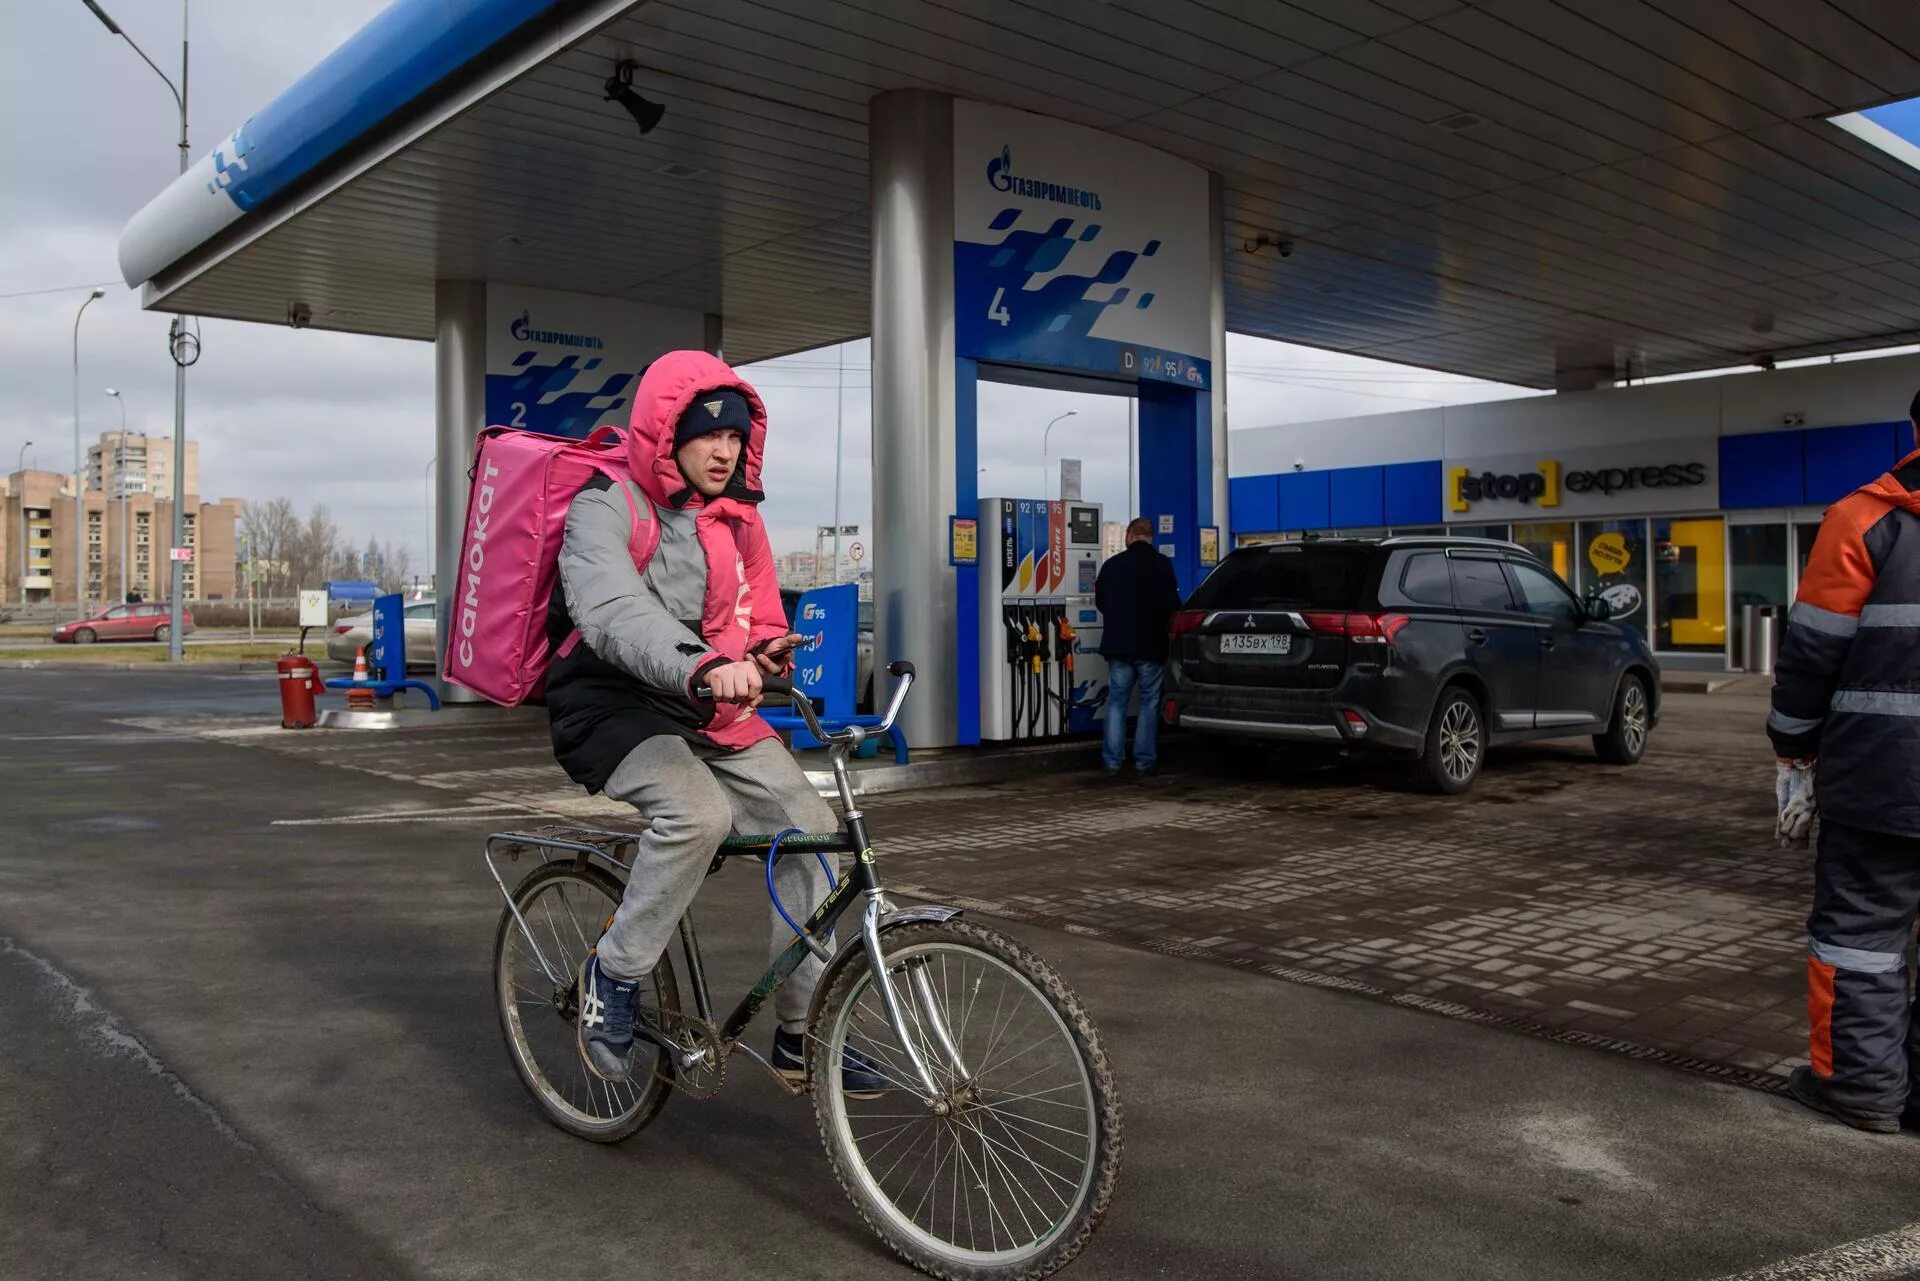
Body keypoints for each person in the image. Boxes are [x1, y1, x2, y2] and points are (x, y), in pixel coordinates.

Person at [543, 350, 880, 1093]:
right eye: (704, 435)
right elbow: (612, 611)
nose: (724, 449)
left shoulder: (739, 518)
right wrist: (700, 664)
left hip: (707, 702)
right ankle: (614, 973)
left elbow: (755, 608)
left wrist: (764, 651)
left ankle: (802, 1031)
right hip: (610, 699)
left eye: (734, 436)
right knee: (699, 814)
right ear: (667, 436)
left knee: (813, 829)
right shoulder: (606, 503)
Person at [1770, 390, 1920, 1133]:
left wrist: (1792, 746)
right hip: (1882, 781)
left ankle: (1860, 1090)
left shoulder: (1863, 518)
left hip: (1882, 783)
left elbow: (1811, 653)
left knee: (1859, 939)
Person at [1094, 517, 1181, 778]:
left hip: (1119, 645)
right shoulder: (1162, 565)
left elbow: (1101, 602)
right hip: (1151, 646)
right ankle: (1144, 761)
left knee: (1117, 703)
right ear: (1151, 537)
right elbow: (1172, 604)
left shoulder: (1112, 565)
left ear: (1130, 535)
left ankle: (1112, 762)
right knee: (1149, 703)